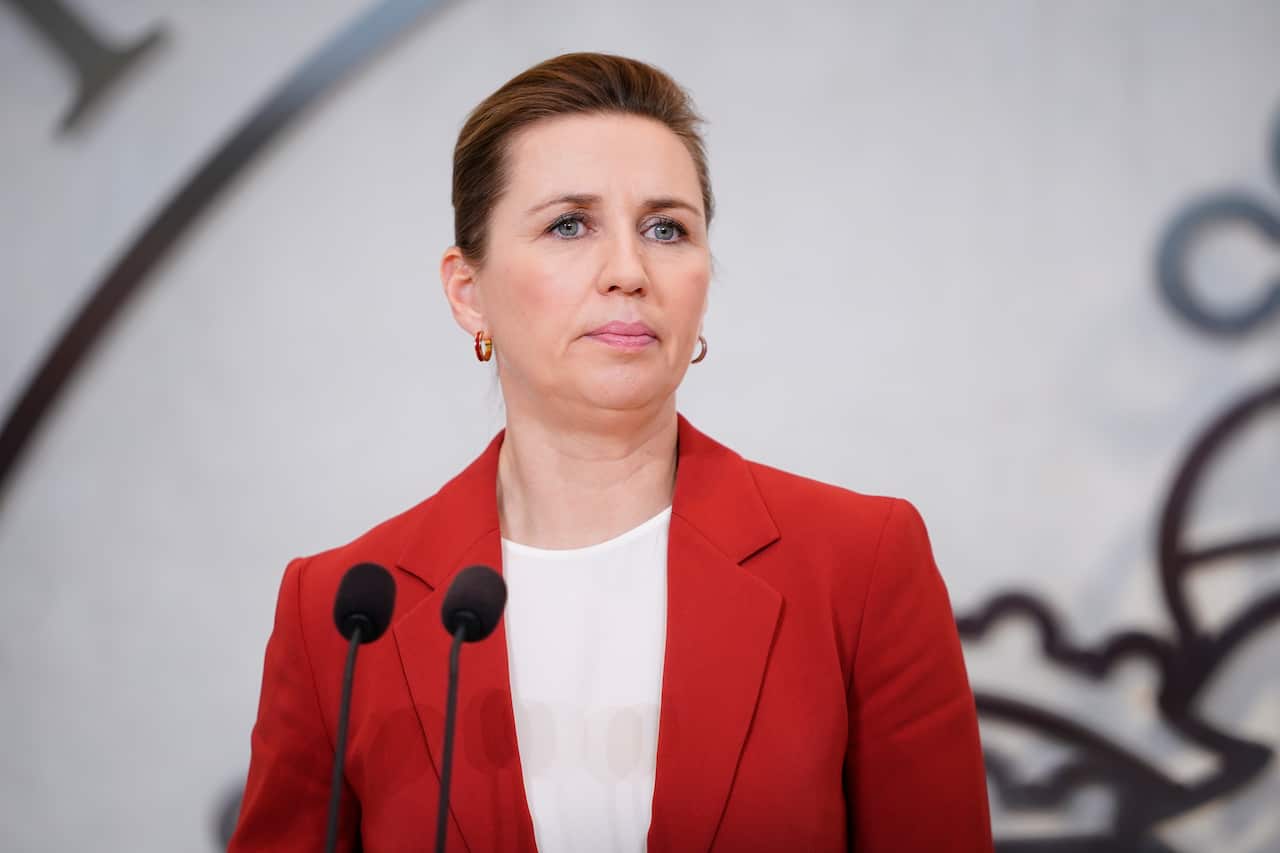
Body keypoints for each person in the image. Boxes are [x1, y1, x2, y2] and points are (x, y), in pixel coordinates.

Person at [228, 52, 992, 853]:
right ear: (467, 290)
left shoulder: (859, 564)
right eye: (569, 224)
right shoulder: (344, 613)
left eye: (667, 228)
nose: (629, 271)